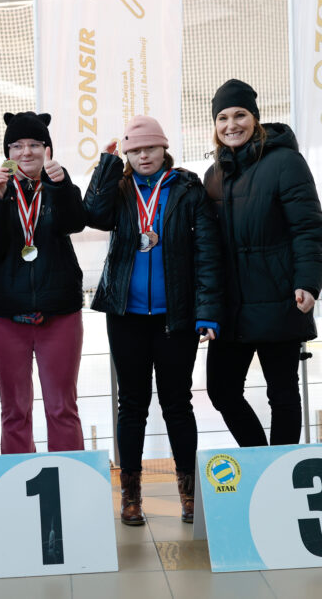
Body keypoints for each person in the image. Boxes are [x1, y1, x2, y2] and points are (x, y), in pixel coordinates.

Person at [83, 114, 222, 526]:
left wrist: (207, 311)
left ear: (164, 148)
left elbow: (207, 252)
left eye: (150, 148)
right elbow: (94, 215)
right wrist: (106, 166)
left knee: (177, 403)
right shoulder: (119, 188)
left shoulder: (187, 188)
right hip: (126, 314)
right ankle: (131, 495)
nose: (143, 156)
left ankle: (189, 493)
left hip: (175, 315)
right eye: (135, 150)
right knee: (132, 404)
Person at [203, 79, 322, 447]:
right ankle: (259, 459)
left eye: (240, 115)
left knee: (282, 394)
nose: (231, 125)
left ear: (255, 118)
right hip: (232, 305)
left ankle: (283, 467)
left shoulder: (285, 162)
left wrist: (308, 282)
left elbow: (308, 227)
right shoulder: (214, 174)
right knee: (222, 390)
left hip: (279, 296)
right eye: (223, 118)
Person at [0, 112, 86, 454]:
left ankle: (70, 479)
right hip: (4, 314)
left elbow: (74, 224)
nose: (26, 152)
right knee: (14, 411)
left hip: (59, 312)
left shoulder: (62, 186)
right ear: (8, 153)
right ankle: (17, 480)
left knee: (62, 408)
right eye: (17, 145)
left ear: (47, 149)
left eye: (35, 145)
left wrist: (60, 186)